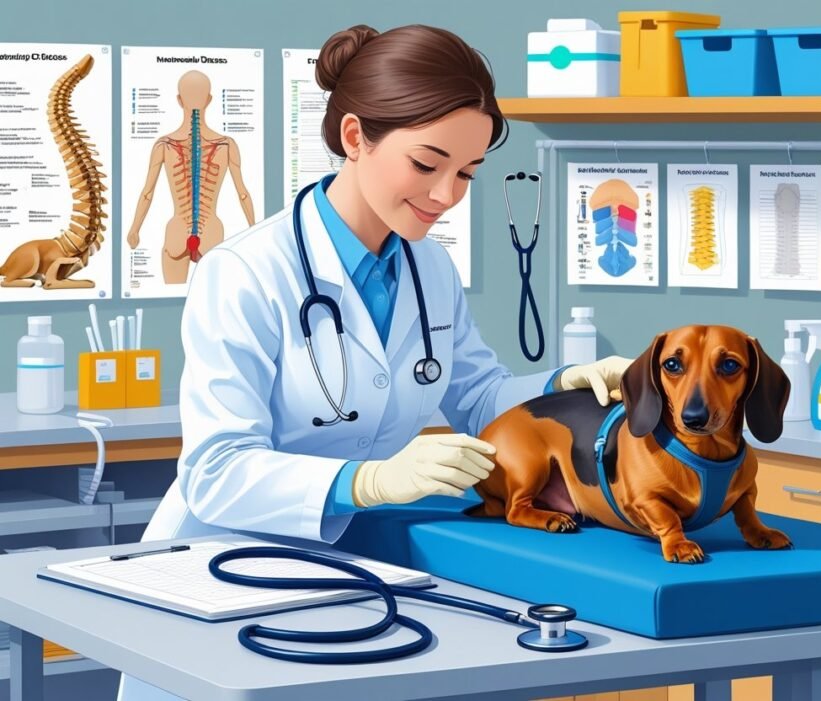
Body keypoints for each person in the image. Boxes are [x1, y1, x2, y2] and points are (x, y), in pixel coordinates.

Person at [117, 24, 630, 700]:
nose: (448, 194)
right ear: (355, 137)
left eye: (467, 173)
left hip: (348, 577)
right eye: (428, 164)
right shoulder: (243, 273)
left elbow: (477, 396)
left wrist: (561, 383)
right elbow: (216, 472)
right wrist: (368, 481)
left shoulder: (431, 267)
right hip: (217, 575)